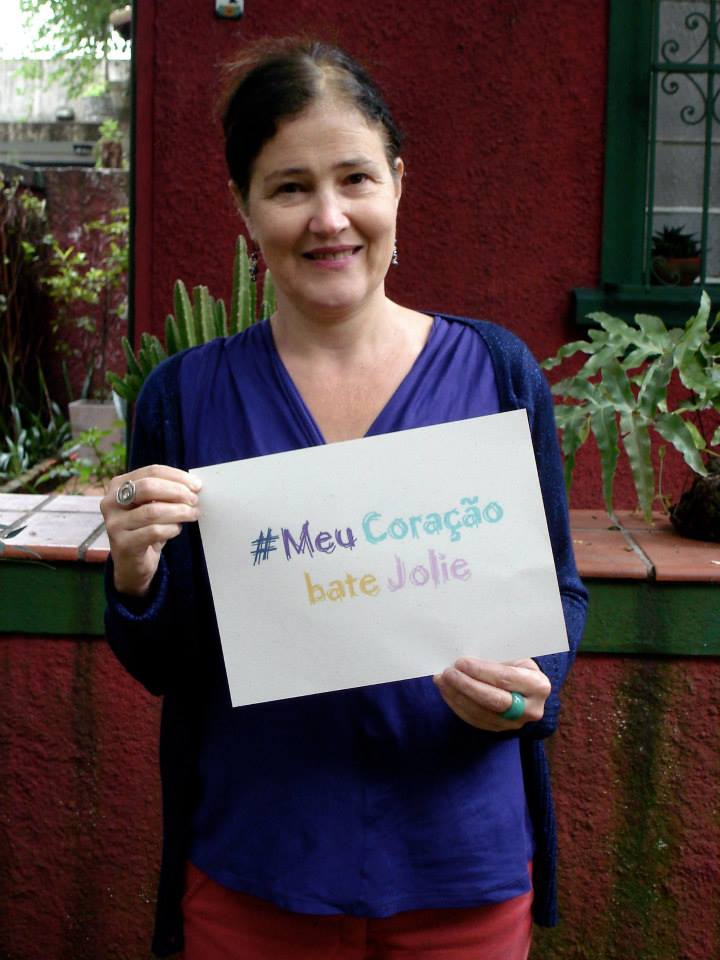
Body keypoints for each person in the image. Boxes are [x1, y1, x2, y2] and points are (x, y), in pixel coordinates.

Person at [101, 38, 588, 960]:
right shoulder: (183, 397)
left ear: (398, 183)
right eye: (290, 187)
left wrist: (535, 688)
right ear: (244, 207)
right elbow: (164, 663)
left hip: (462, 861)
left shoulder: (497, 373)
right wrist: (135, 574)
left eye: (355, 178)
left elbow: (557, 593)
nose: (329, 218)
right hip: (257, 864)